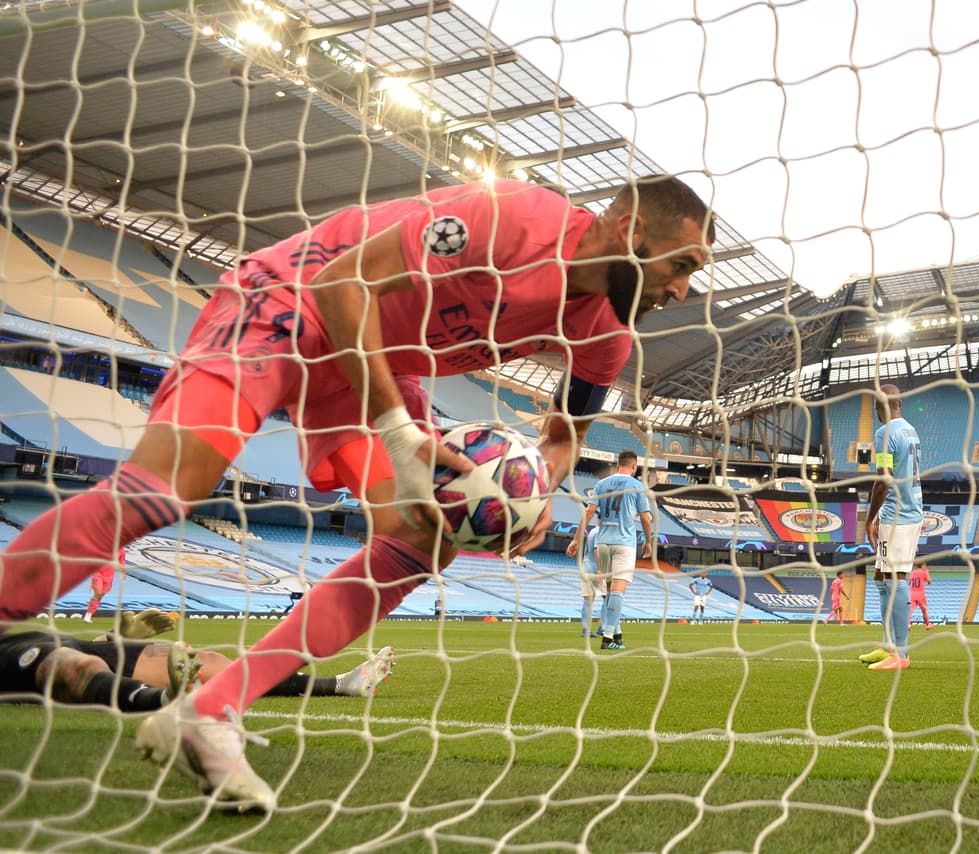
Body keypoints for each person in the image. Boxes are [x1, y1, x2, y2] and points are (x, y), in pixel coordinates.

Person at [0, 175, 713, 811]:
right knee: (167, 489)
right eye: (682, 265)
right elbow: (346, 282)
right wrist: (399, 432)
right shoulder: (506, 217)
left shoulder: (608, 336)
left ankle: (209, 711)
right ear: (631, 228)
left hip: (370, 361)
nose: (682, 290)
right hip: (291, 302)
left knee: (418, 540)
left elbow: (563, 438)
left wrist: (534, 492)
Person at [0, 630, 394, 710]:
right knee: (73, 668)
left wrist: (121, 633)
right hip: (17, 655)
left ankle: (342, 683)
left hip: (69, 638)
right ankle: (165, 700)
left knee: (215, 665)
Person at [859, 384, 922, 672]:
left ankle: (901, 653)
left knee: (895, 579)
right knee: (881, 578)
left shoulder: (885, 433)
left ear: (880, 406)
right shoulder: (910, 430)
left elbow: (882, 481)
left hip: (899, 514)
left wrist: (869, 518)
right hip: (903, 511)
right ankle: (888, 646)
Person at [574, 450, 655, 651]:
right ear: (634, 466)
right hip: (624, 543)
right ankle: (608, 637)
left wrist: (576, 539)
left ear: (618, 464)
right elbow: (645, 518)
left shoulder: (602, 484)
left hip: (603, 544)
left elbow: (590, 512)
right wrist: (648, 541)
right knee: (618, 592)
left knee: (610, 592)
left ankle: (617, 634)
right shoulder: (637, 486)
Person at [566, 525, 604, 636]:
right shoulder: (600, 532)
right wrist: (601, 569)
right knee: (609, 598)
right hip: (595, 570)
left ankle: (586, 630)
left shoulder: (592, 531)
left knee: (588, 601)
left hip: (586, 567)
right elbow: (597, 550)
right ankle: (603, 627)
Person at [77, 548, 125, 624]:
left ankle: (90, 613)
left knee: (99, 597)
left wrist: (123, 573)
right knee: (98, 593)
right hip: (98, 573)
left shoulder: (121, 550)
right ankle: (88, 616)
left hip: (109, 576)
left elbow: (122, 562)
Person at [908, 561, 932, 630]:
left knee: (910, 610)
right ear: (922, 566)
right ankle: (928, 624)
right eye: (925, 565)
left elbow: (910, 583)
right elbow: (929, 581)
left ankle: (908, 625)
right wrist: (927, 573)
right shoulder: (924, 572)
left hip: (912, 594)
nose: (925, 567)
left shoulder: (912, 573)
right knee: (924, 610)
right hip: (920, 594)